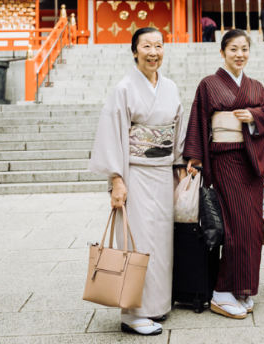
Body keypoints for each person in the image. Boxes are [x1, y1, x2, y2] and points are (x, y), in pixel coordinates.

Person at [88, 27, 187, 336]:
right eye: (147, 46)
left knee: (161, 241)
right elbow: (111, 134)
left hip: (162, 173)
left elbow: (178, 130)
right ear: (135, 51)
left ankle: (156, 305)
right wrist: (116, 180)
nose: (153, 52)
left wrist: (180, 168)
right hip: (135, 172)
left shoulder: (169, 87)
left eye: (158, 46)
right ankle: (132, 312)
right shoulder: (124, 88)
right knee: (137, 241)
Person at [184, 29, 264, 319]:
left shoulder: (256, 86)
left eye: (244, 49)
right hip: (224, 160)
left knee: (251, 227)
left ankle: (243, 289)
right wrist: (195, 158)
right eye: (233, 49)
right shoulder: (209, 84)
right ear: (222, 52)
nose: (239, 54)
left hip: (250, 164)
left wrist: (254, 117)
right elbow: (198, 120)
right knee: (234, 226)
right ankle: (222, 291)